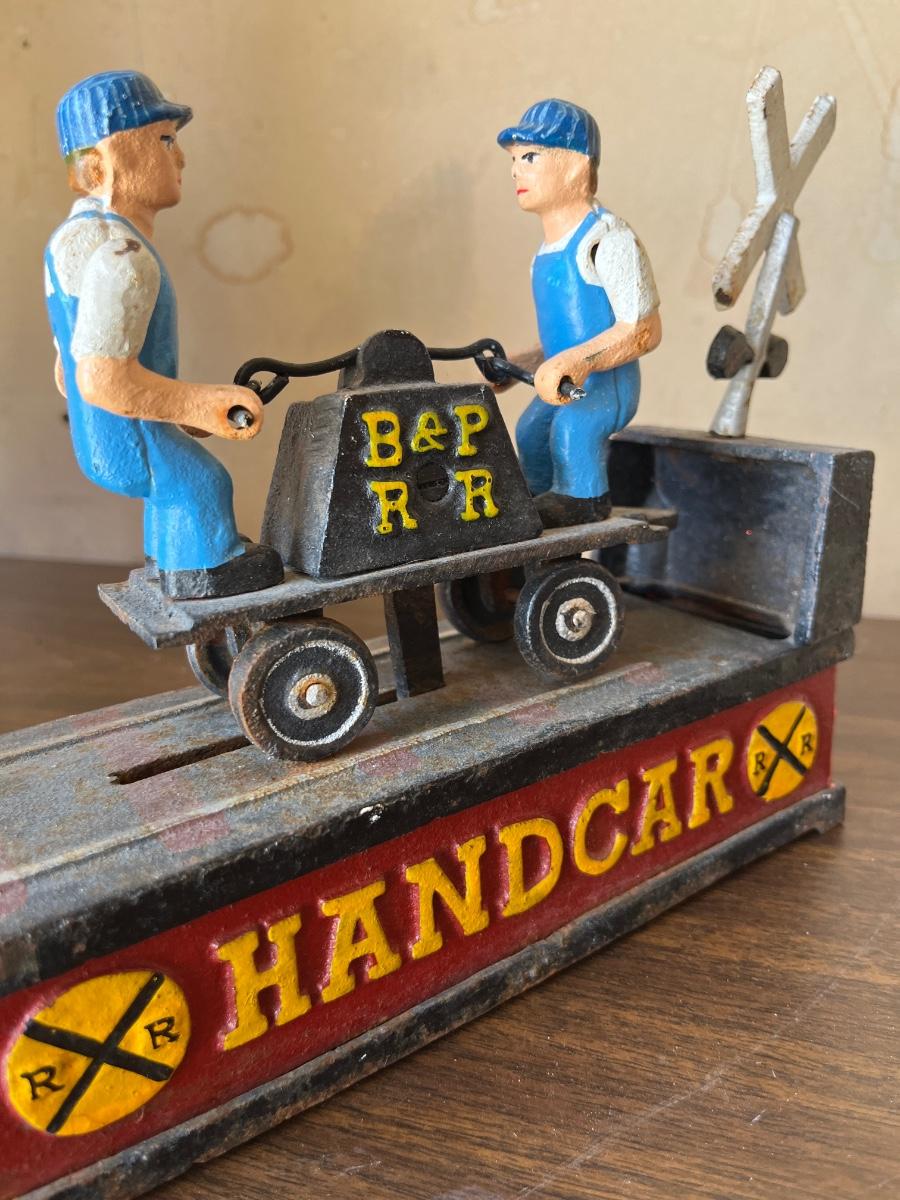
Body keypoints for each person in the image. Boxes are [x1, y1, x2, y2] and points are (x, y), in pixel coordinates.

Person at [45, 70, 283, 598]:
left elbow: (66, 368)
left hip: (103, 435)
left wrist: (177, 411)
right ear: (108, 161)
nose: (182, 158)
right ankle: (205, 574)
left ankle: (169, 559)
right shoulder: (123, 258)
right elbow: (100, 380)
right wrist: (201, 405)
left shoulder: (72, 242)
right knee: (203, 484)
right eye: (166, 140)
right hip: (128, 436)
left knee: (176, 483)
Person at [497, 99, 662, 527]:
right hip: (568, 384)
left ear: (575, 166)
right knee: (530, 431)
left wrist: (578, 362)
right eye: (514, 160)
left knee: (571, 432)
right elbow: (560, 343)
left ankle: (584, 499)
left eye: (530, 157)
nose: (515, 171)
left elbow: (644, 330)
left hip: (606, 388)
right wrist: (518, 364)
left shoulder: (608, 240)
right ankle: (535, 506)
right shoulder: (543, 255)